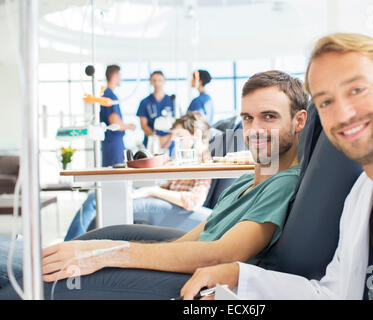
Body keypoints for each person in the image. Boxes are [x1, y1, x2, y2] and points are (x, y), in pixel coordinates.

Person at [180, 33, 373, 300]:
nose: (343, 114)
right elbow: (333, 293)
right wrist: (238, 278)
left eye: (357, 90)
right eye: (326, 102)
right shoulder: (362, 197)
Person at [0, 70, 308, 299]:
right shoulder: (246, 180)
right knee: (21, 262)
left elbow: (221, 255)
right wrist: (102, 248)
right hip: (182, 264)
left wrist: (107, 255)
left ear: (299, 121)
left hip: (195, 283)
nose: (254, 129)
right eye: (248, 118)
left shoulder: (283, 184)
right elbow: (192, 241)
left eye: (269, 117)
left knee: (25, 277)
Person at [64, 112, 213, 241]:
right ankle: (75, 245)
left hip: (177, 210)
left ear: (197, 135)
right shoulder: (189, 161)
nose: (176, 142)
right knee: (99, 196)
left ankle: (70, 246)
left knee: (102, 200)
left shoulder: (204, 161)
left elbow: (194, 201)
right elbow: (169, 187)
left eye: (180, 136)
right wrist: (145, 191)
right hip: (164, 204)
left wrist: (151, 191)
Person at [100, 65, 136, 167]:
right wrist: (130, 126)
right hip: (114, 144)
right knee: (116, 175)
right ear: (115, 75)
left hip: (111, 144)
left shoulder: (106, 94)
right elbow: (115, 124)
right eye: (120, 75)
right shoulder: (110, 96)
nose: (121, 78)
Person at [136, 71, 175, 150]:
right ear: (150, 82)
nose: (157, 83)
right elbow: (143, 125)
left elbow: (177, 124)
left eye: (159, 80)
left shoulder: (172, 101)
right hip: (151, 143)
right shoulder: (145, 102)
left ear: (164, 81)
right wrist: (156, 139)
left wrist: (167, 141)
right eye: (154, 80)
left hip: (169, 143)